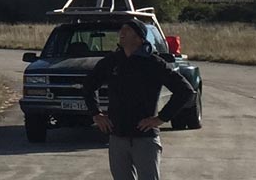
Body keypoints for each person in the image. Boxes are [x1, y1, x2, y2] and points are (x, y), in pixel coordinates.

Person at [80, 22, 195, 180]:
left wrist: (161, 118)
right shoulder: (112, 61)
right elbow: (88, 86)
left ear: (139, 38)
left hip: (145, 138)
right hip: (117, 137)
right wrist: (96, 114)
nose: (122, 32)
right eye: (122, 28)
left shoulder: (153, 63)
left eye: (127, 30)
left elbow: (185, 90)